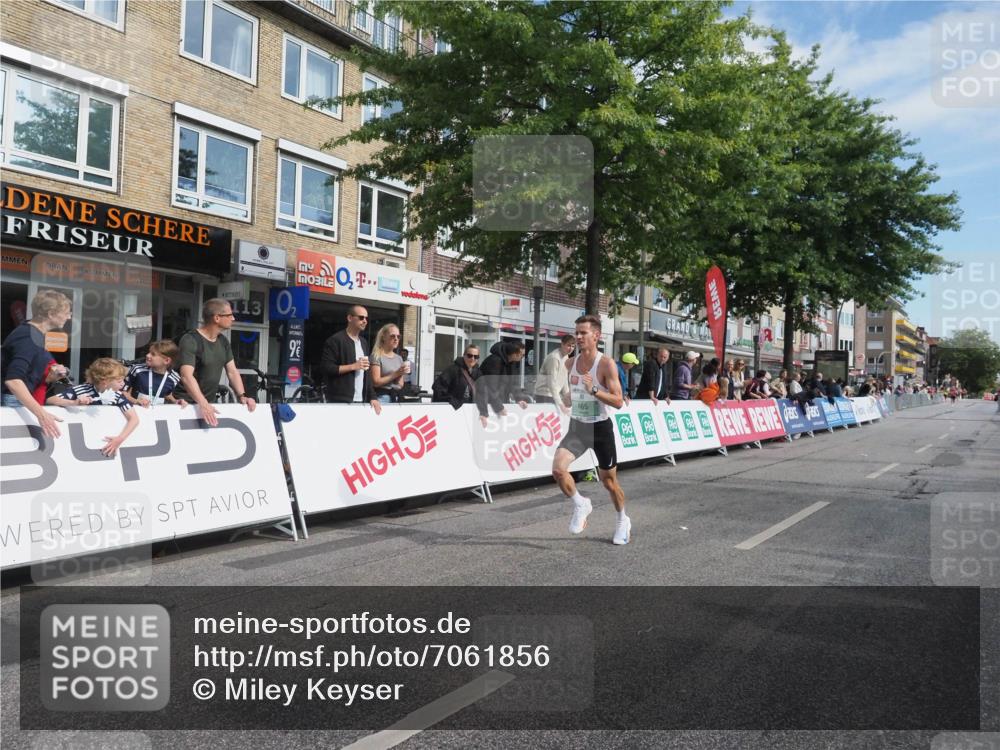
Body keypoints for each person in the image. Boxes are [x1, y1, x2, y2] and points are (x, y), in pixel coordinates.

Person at [551, 315, 631, 545]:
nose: (578, 337)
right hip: (578, 427)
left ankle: (622, 519)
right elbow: (571, 395)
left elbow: (617, 401)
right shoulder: (570, 362)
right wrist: (568, 397)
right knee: (558, 469)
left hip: (600, 429)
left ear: (596, 336)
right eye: (576, 332)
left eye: (583, 333)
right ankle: (580, 503)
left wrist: (594, 389)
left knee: (609, 482)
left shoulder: (606, 364)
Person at [1, 289, 72, 438]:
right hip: (13, 403)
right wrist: (42, 414)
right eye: (66, 312)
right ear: (51, 314)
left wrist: (51, 377)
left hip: (17, 402)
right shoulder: (28, 336)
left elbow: (26, 378)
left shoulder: (34, 335)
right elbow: (13, 381)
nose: (69, 317)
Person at [175, 298, 257, 427]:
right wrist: (203, 403)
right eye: (229, 315)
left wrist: (242, 395)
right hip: (184, 406)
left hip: (207, 405)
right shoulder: (190, 339)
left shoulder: (223, 341)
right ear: (217, 318)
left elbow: (232, 372)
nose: (233, 318)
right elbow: (186, 376)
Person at [46, 358, 139, 458]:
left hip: (103, 445)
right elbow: (50, 400)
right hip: (80, 442)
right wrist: (74, 402)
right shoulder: (80, 390)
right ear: (105, 382)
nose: (123, 384)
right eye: (119, 381)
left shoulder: (117, 396)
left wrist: (120, 439)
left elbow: (134, 419)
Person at [320, 305, 382, 414]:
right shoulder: (335, 340)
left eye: (366, 318)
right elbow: (326, 368)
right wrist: (353, 366)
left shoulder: (363, 342)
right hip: (340, 401)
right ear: (349, 318)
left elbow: (366, 374)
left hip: (361, 400)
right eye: (361, 318)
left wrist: (372, 396)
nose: (365, 321)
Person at [475, 340, 529, 428]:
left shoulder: (512, 363)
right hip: (486, 404)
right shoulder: (494, 361)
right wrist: (499, 407)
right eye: (522, 355)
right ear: (515, 354)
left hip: (500, 402)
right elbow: (490, 387)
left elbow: (514, 383)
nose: (523, 357)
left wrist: (519, 398)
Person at [124, 340, 187, 408]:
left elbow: (166, 394)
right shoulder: (137, 370)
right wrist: (136, 401)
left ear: (166, 361)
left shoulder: (174, 378)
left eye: (153, 354)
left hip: (156, 416)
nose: (147, 355)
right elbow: (123, 393)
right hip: (135, 412)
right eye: (149, 352)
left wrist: (175, 401)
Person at [432, 345, 481, 409]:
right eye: (469, 356)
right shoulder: (453, 370)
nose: (472, 358)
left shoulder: (478, 372)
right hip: (453, 410)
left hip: (470, 411)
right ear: (464, 356)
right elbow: (437, 387)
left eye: (476, 356)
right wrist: (451, 400)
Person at [370, 324, 407, 404]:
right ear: (383, 337)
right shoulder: (376, 356)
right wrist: (396, 373)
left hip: (397, 397)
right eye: (392, 336)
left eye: (398, 336)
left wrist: (401, 373)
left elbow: (400, 384)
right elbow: (376, 382)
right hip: (381, 397)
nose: (396, 339)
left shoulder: (399, 358)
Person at [535, 335, 575, 405]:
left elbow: (564, 379)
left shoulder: (566, 357)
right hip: (544, 394)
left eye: (573, 346)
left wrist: (567, 397)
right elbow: (551, 382)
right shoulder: (554, 358)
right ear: (562, 344)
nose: (571, 348)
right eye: (568, 345)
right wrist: (559, 402)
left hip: (553, 394)